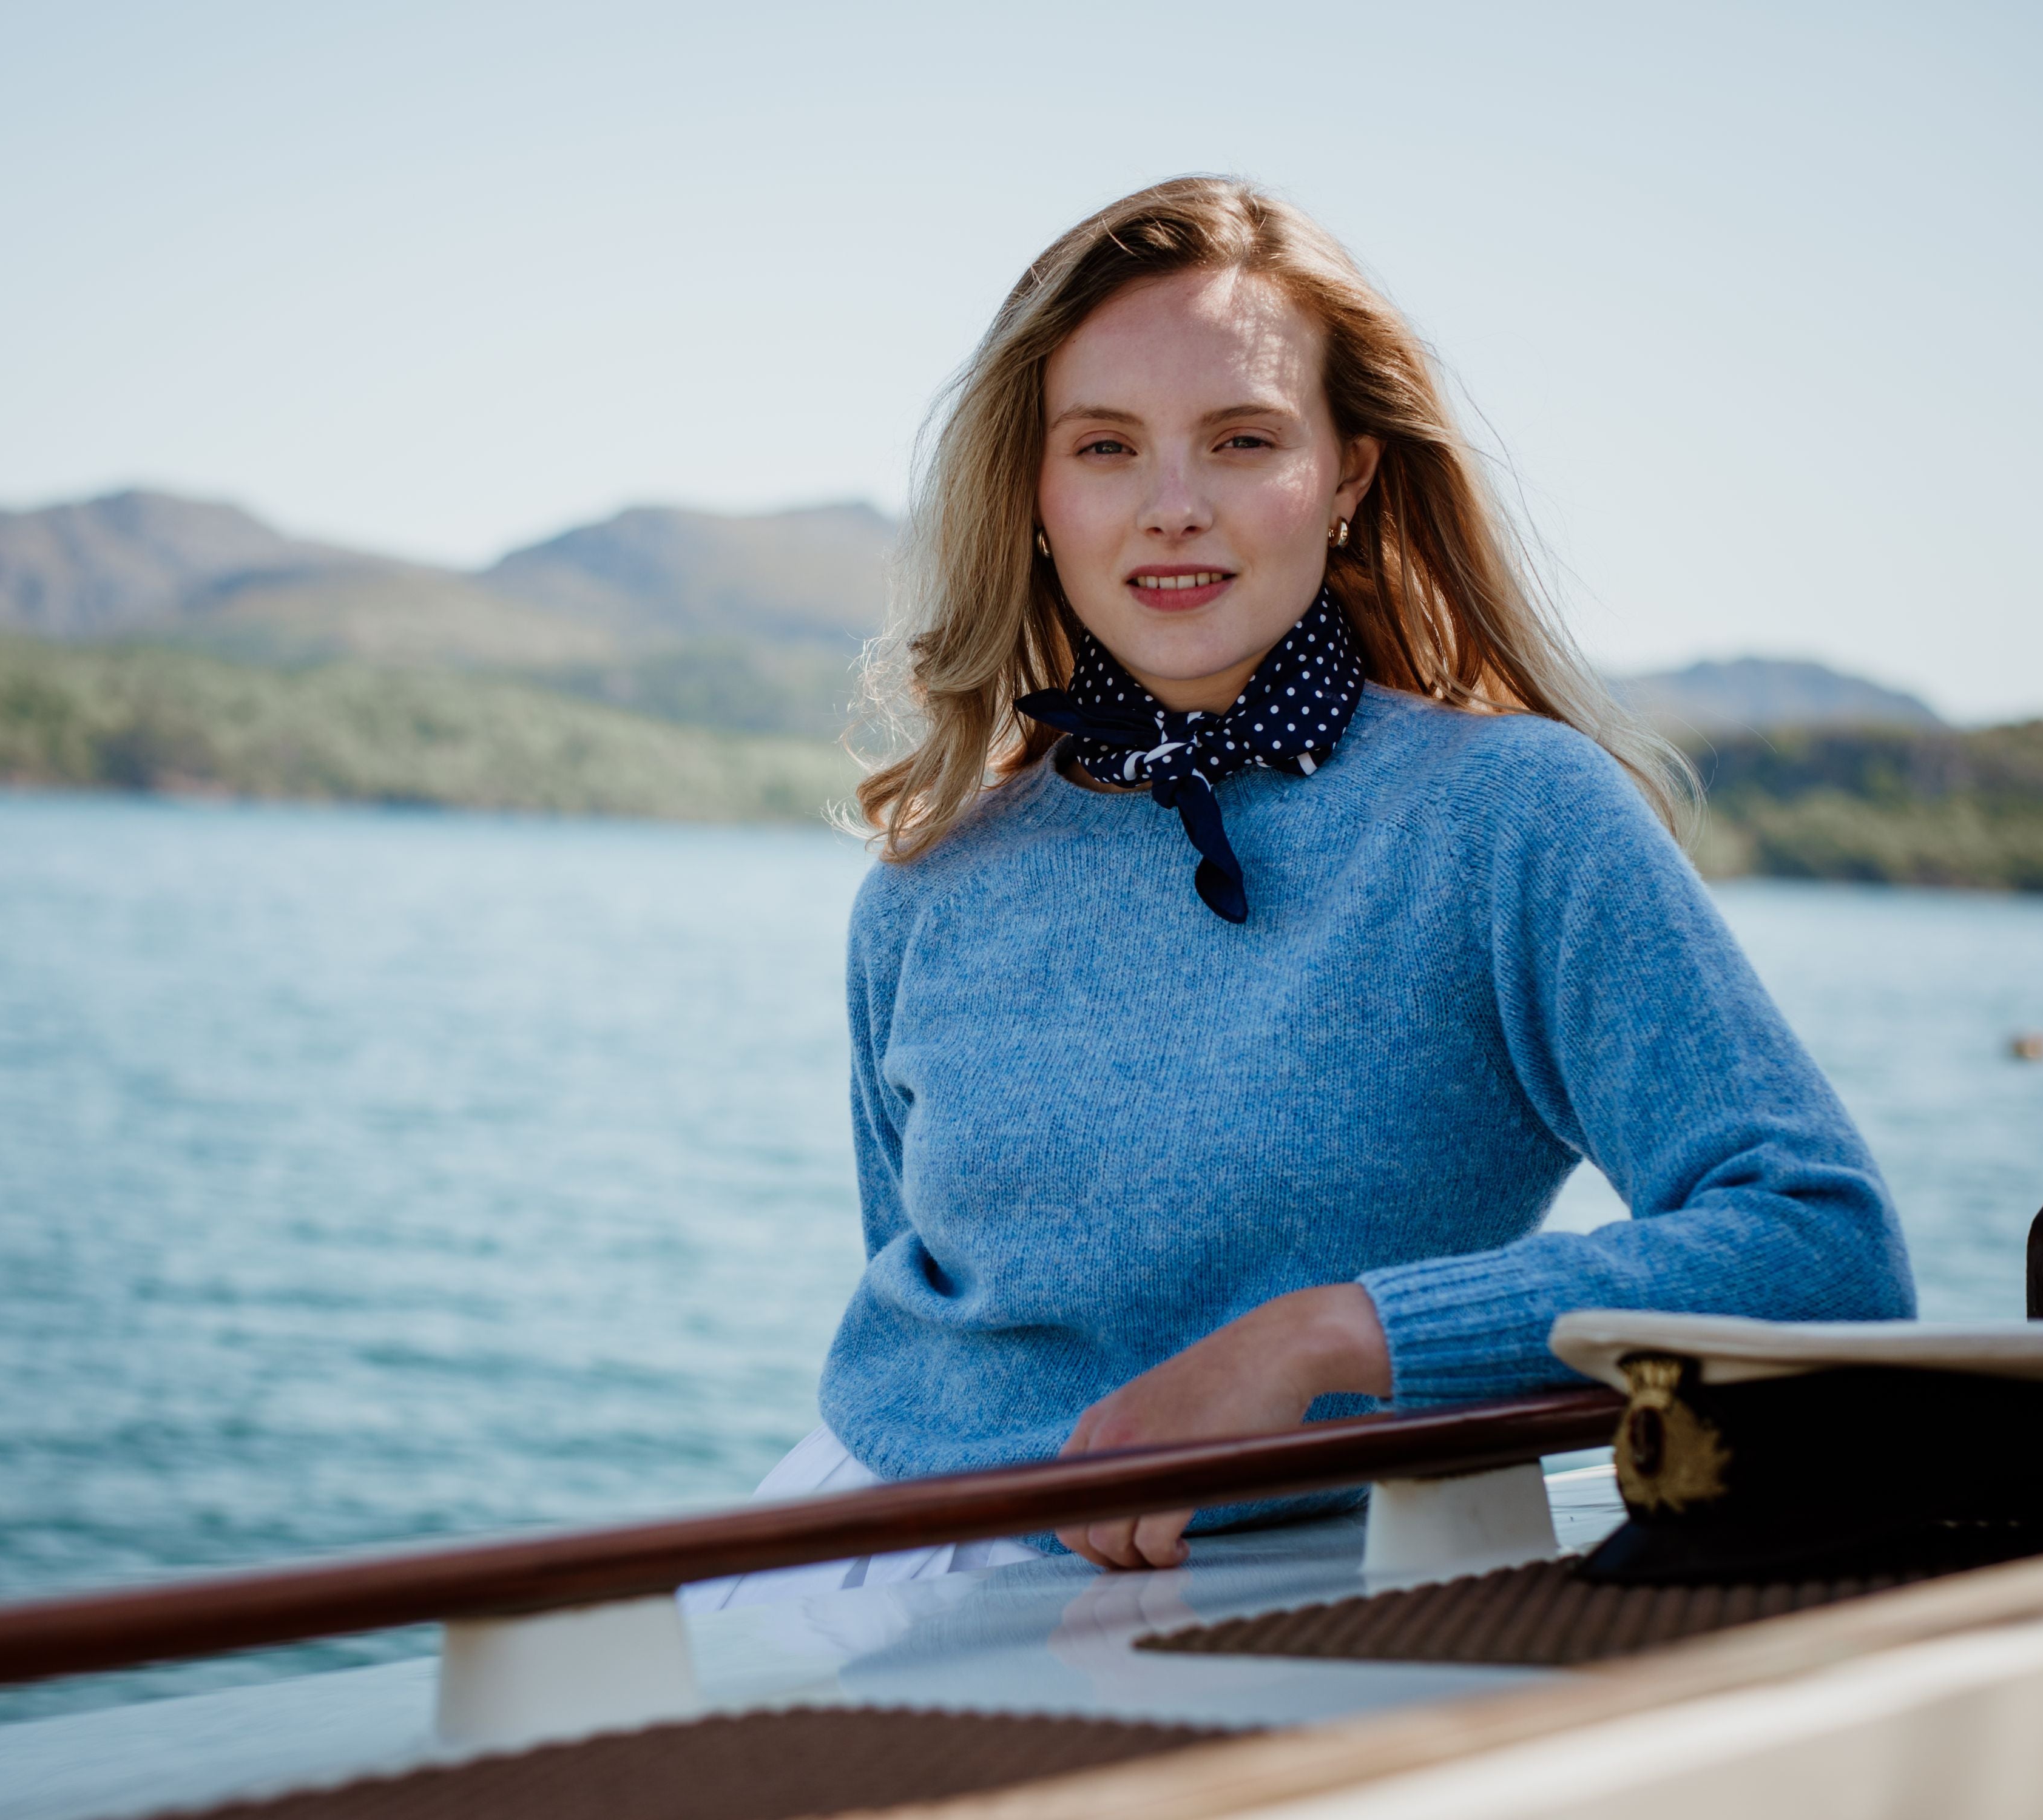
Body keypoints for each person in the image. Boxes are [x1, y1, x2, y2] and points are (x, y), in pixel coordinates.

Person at [684, 177, 1911, 1611]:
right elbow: (919, 1294)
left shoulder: (1510, 819)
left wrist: (1334, 1337)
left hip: (1272, 1595)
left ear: (1349, 476)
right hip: (839, 1552)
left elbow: (1824, 1247)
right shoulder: (931, 882)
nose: (1172, 509)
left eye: (1244, 440)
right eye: (1105, 447)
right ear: (1035, 491)